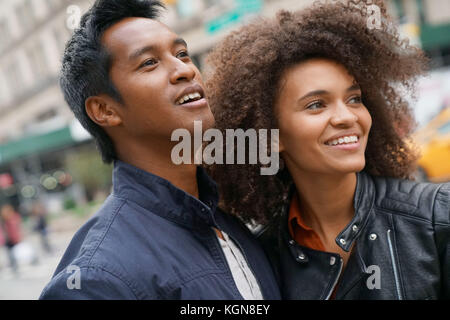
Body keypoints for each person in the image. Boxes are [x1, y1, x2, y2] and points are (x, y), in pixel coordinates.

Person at [206, 0, 449, 299]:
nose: (347, 117)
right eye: (316, 104)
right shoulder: (261, 256)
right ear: (271, 136)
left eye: (354, 99)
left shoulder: (436, 217)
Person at [39, 0, 280, 300]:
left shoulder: (230, 223)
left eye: (182, 54)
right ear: (104, 109)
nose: (185, 70)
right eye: (149, 63)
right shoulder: (96, 280)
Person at [0, 204, 23, 274]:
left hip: (11, 239)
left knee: (12, 253)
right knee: (10, 254)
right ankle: (14, 266)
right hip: (7, 240)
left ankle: (14, 266)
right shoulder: (3, 221)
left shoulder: (12, 219)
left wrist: (18, 237)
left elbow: (16, 229)